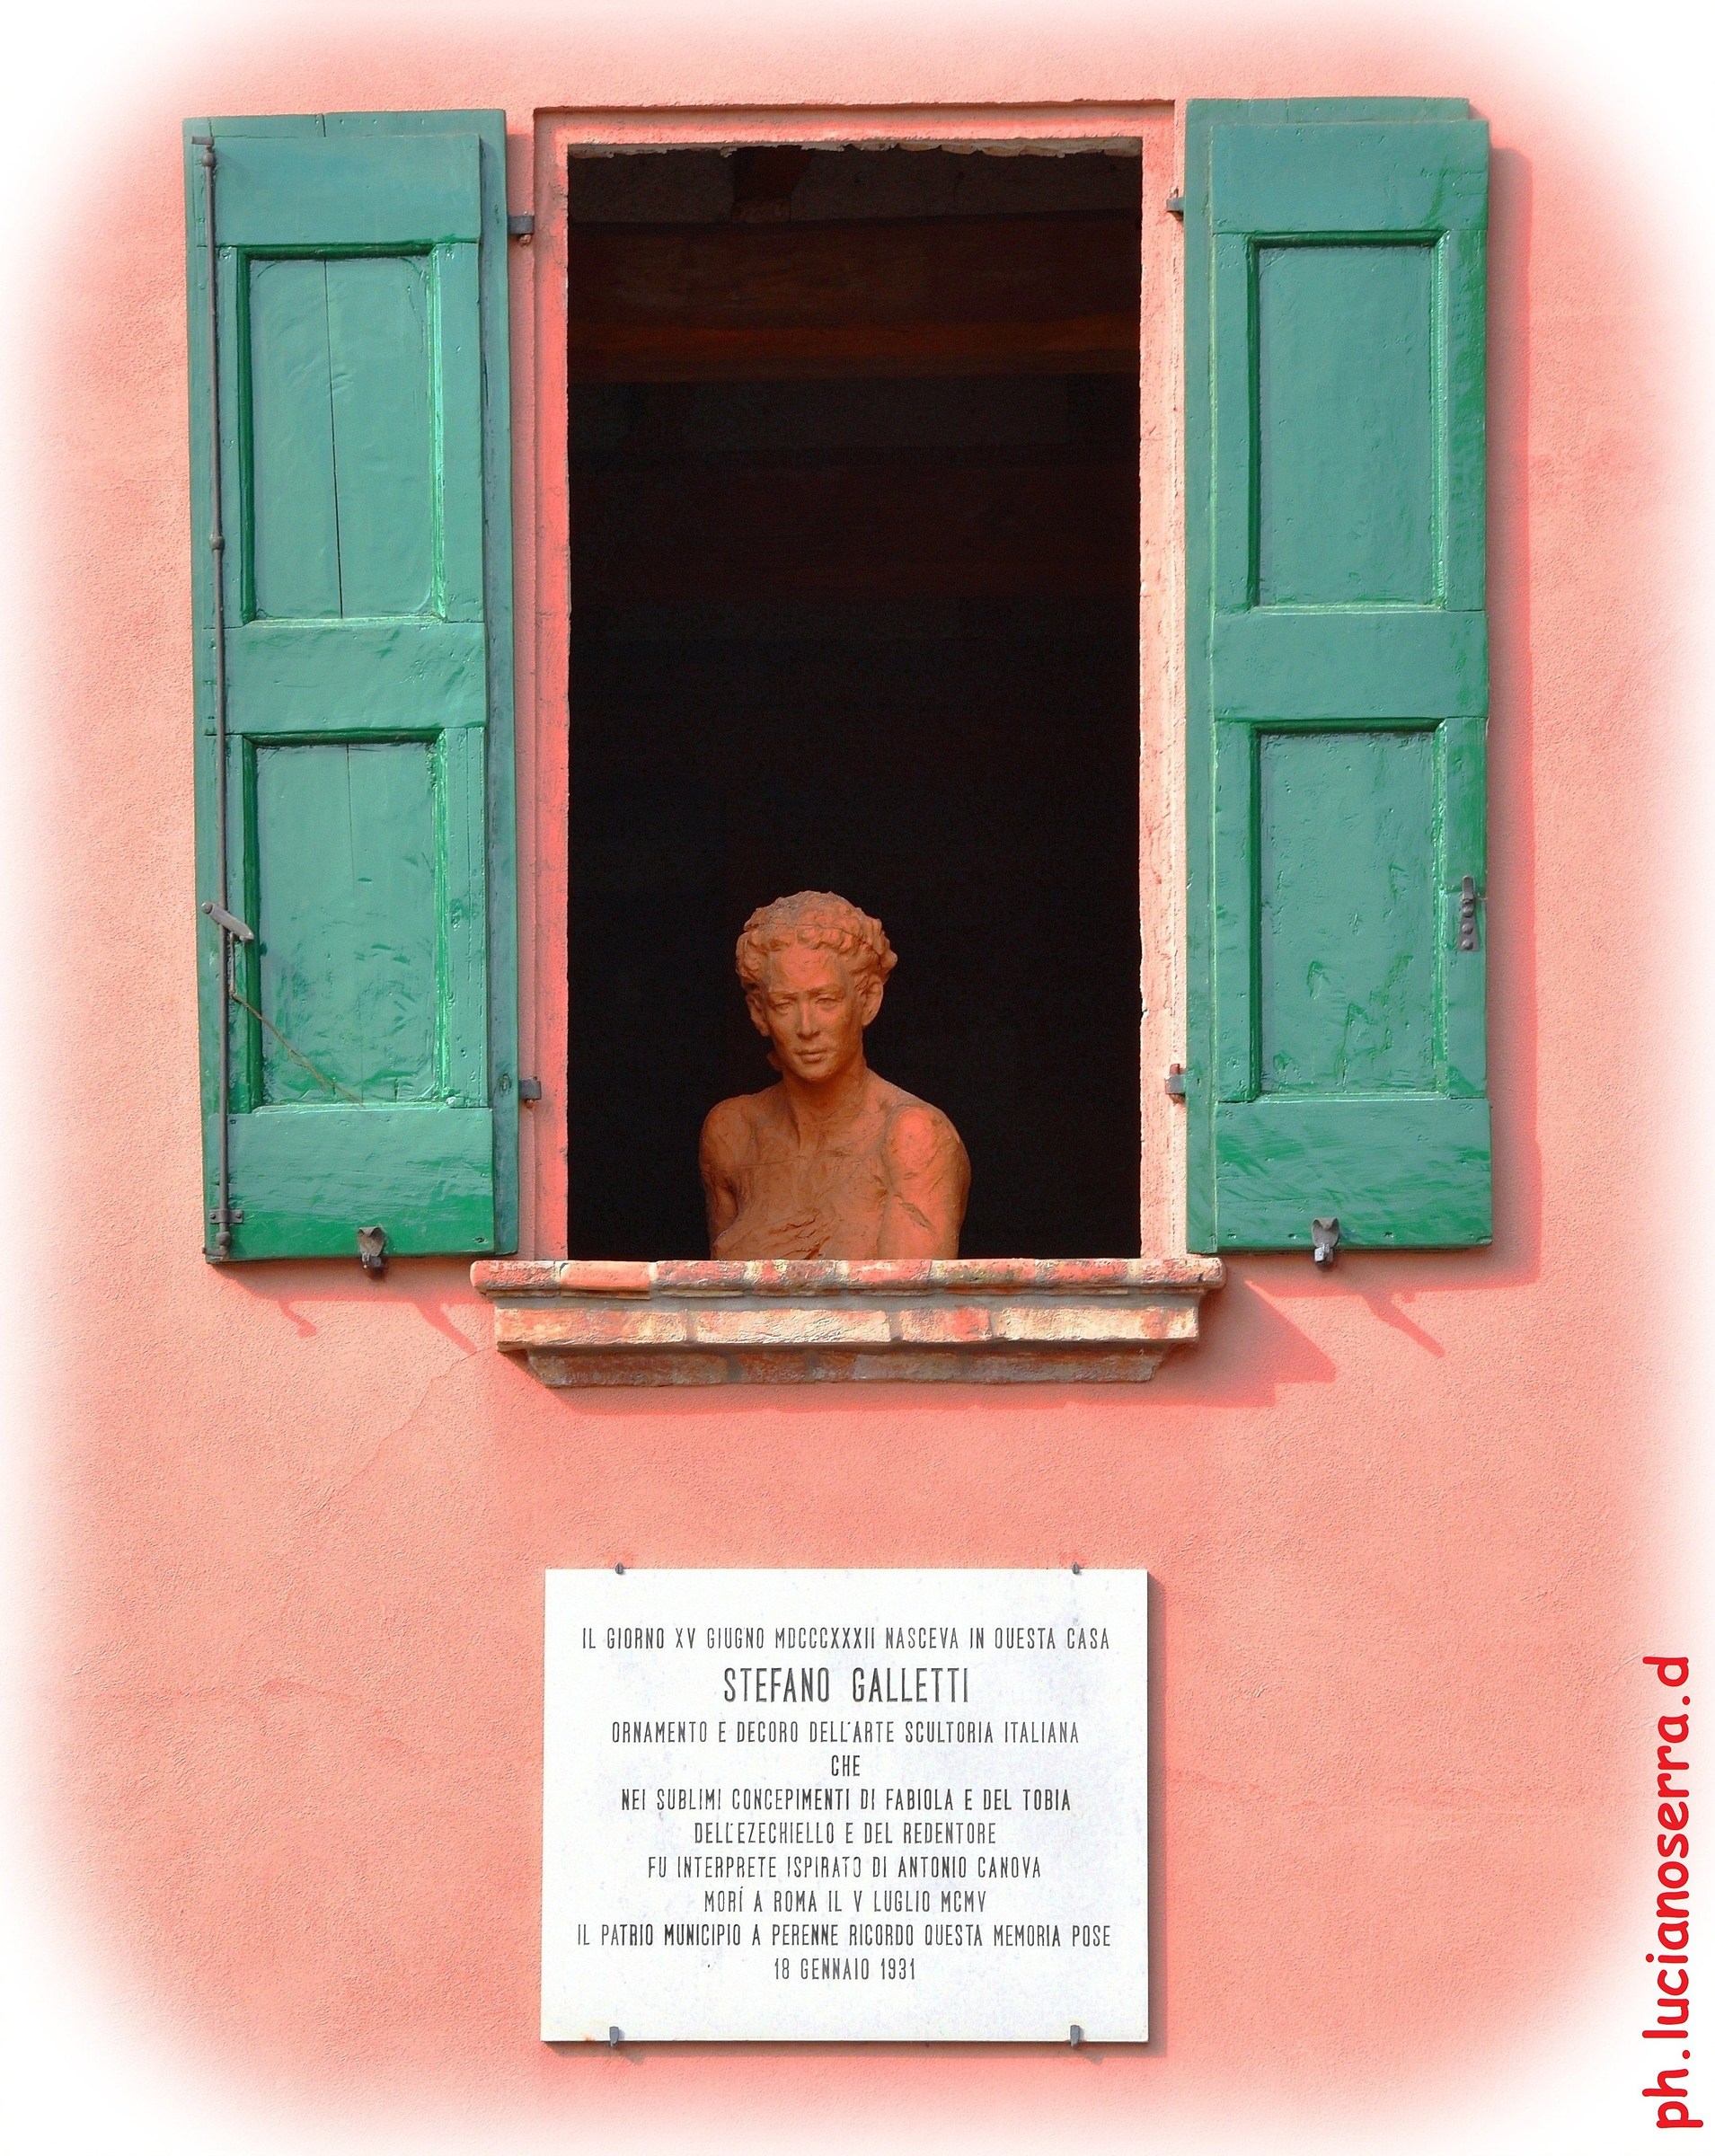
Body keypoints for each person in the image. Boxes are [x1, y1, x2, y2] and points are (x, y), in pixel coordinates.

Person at [699, 891, 970, 1260]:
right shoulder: (733, 1133)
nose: (806, 1027)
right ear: (759, 1013)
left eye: (826, 1000)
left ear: (868, 1001)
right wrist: (735, 1260)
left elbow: (908, 1311)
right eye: (784, 1004)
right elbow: (717, 1307)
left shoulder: (913, 1136)